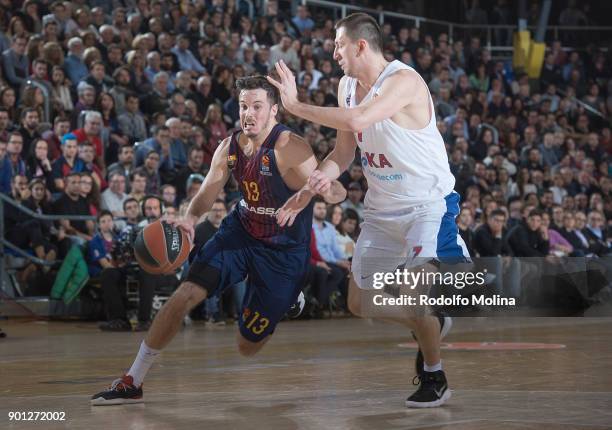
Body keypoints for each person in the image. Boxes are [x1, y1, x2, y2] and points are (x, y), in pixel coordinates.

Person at [91, 75, 346, 405]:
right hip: (240, 231)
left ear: (274, 112)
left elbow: (335, 191)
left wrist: (328, 187)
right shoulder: (229, 147)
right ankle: (133, 379)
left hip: (283, 252)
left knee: (246, 345)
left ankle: (290, 299)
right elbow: (207, 192)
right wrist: (190, 218)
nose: (248, 113)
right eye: (243, 106)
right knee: (186, 293)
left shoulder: (289, 148)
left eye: (257, 106)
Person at [267, 13, 470, 407]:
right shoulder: (346, 86)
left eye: (339, 44)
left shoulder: (404, 81)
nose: (333, 51)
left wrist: (293, 105)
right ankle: (433, 324)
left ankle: (435, 374)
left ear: (361, 45)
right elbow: (343, 153)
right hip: (381, 211)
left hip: (426, 207)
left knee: (416, 297)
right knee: (359, 304)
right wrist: (314, 185)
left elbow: (359, 118)